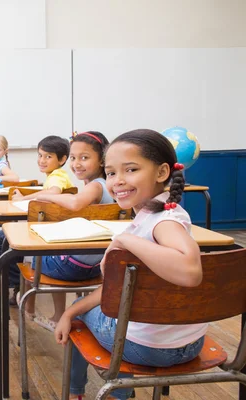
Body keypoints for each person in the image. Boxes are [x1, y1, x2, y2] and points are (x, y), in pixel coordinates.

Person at [55, 129, 203, 400]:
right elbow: (119, 289)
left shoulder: (163, 223)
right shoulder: (166, 214)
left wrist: (125, 239)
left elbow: (191, 271)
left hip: (150, 346)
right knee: (92, 308)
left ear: (161, 173)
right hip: (191, 343)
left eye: (131, 169)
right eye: (111, 173)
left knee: (78, 316)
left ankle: (91, 394)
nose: (117, 181)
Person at [5, 132, 114, 331]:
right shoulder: (109, 186)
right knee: (56, 250)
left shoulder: (96, 187)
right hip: (98, 268)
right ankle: (51, 312)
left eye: (84, 157)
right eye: (73, 158)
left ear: (102, 161)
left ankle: (28, 307)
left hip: (73, 268)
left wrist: (49, 198)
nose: (77, 164)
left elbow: (74, 203)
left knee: (26, 254)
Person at [0, 135, 75, 303]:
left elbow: (53, 192)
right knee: (1, 237)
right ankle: (14, 280)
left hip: (47, 232)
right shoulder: (55, 175)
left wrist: (23, 199)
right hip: (47, 228)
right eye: (40, 155)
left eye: (48, 156)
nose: (42, 160)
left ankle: (16, 285)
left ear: (62, 159)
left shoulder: (58, 176)